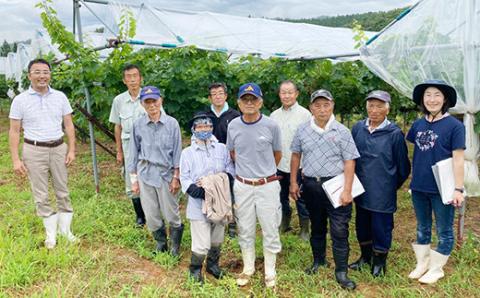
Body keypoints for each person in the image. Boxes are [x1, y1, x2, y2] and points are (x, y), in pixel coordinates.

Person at [290, 89, 359, 290]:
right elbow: (296, 156)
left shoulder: (342, 131)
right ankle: (319, 260)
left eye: (325, 105)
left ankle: (341, 271)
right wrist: (294, 182)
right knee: (317, 226)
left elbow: (349, 161)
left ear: (332, 106)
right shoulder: (302, 130)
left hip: (336, 185)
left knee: (339, 229)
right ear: (311, 107)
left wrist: (347, 190)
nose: (322, 109)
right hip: (312, 185)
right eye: (317, 105)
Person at [9, 58, 77, 249]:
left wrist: (71, 149)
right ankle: (51, 235)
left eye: (45, 72)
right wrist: (15, 159)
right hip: (33, 150)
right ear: (29, 75)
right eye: (37, 72)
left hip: (58, 148)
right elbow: (14, 131)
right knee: (41, 194)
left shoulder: (60, 97)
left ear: (50, 75)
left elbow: (69, 124)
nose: (42, 76)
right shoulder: (20, 100)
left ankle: (66, 232)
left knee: (62, 191)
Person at [406, 80, 465, 284]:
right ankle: (422, 263)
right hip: (419, 186)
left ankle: (436, 267)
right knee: (422, 227)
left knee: (444, 229)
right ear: (422, 99)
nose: (432, 99)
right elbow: (418, 151)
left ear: (445, 99)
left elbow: (458, 160)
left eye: (437, 94)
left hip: (443, 188)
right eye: (428, 95)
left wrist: (458, 189)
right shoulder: (418, 124)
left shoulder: (455, 126)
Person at [226, 83, 282, 288]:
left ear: (261, 102)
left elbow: (277, 154)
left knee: (270, 227)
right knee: (245, 227)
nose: (249, 103)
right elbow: (233, 153)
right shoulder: (233, 125)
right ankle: (248, 267)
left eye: (253, 99)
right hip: (243, 186)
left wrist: (262, 174)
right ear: (239, 103)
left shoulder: (271, 125)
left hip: (267, 185)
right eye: (245, 100)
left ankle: (270, 270)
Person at [350, 90, 411, 277]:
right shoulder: (358, 129)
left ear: (387, 109)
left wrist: (389, 185)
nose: (374, 110)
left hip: (383, 192)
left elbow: (403, 168)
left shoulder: (394, 134)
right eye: (371, 106)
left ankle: (379, 262)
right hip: (360, 189)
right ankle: (365, 257)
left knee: (381, 228)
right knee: (362, 225)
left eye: (379, 106)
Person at [128, 86, 184, 257]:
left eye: (155, 101)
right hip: (146, 173)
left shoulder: (172, 124)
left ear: (161, 101)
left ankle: (175, 245)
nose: (152, 105)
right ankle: (161, 243)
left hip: (166, 174)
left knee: (171, 212)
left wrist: (176, 177)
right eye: (148, 102)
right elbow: (133, 152)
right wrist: (134, 180)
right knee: (151, 212)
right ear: (142, 104)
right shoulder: (138, 125)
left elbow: (177, 152)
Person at [180, 111, 235, 283]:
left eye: (208, 125)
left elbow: (230, 169)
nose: (205, 128)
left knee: (217, 238)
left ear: (212, 127)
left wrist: (218, 184)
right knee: (201, 242)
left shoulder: (222, 148)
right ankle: (195, 270)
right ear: (194, 129)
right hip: (198, 202)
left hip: (220, 201)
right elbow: (185, 177)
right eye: (200, 126)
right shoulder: (187, 153)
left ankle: (213, 265)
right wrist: (199, 191)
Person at [270, 80, 311, 239]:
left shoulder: (305, 114)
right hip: (279, 164)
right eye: (283, 92)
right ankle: (285, 223)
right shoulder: (274, 116)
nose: (286, 95)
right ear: (279, 95)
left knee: (300, 197)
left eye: (290, 92)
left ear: (296, 94)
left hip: (299, 165)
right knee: (280, 196)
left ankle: (305, 229)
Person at [109, 64, 147, 227]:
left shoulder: (149, 96)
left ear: (141, 78)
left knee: (149, 175)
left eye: (135, 76)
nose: (132, 80)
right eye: (129, 77)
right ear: (124, 80)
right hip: (128, 146)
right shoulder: (119, 100)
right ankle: (140, 216)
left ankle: (152, 212)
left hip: (147, 145)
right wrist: (119, 151)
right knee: (131, 179)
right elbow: (117, 126)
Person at [205, 82, 241, 238]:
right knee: (214, 188)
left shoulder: (234, 116)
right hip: (211, 160)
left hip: (231, 159)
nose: (217, 96)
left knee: (232, 190)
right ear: (210, 98)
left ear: (225, 96)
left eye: (220, 93)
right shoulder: (206, 116)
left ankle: (233, 222)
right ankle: (216, 218)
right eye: (214, 94)